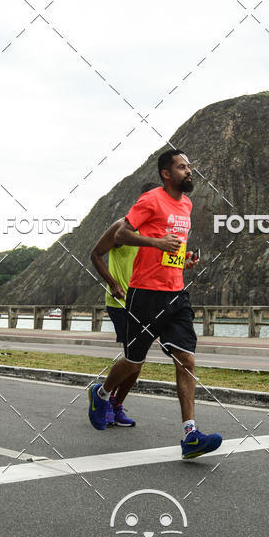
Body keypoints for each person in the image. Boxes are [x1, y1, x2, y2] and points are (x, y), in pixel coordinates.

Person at [87, 149, 222, 460]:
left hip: (176, 293)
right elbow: (123, 233)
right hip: (144, 294)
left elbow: (173, 246)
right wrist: (156, 243)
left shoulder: (186, 204)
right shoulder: (150, 199)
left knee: (186, 360)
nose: (189, 171)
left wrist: (183, 261)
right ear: (166, 173)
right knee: (133, 362)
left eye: (189, 166)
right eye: (182, 167)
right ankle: (101, 393)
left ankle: (190, 435)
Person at [90, 181, 158, 426]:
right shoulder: (122, 226)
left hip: (145, 303)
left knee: (137, 361)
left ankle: (113, 403)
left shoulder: (156, 233)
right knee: (134, 359)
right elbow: (95, 254)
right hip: (121, 303)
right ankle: (104, 398)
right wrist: (113, 283)